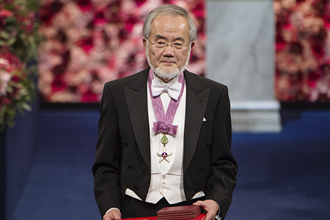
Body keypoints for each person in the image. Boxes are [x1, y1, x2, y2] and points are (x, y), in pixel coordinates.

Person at [92, 4, 237, 220]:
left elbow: (224, 163)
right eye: (160, 42)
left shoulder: (214, 95)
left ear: (191, 47)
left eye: (178, 43)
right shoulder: (117, 93)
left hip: (192, 210)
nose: (168, 51)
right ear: (145, 44)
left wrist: (216, 201)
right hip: (133, 210)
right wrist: (110, 207)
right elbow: (106, 163)